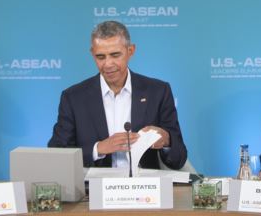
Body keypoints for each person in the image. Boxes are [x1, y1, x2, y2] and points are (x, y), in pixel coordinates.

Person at [48, 20, 187, 169]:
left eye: (115, 55)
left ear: (130, 51)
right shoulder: (73, 98)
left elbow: (179, 160)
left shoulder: (158, 92)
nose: (108, 64)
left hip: (145, 189)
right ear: (92, 54)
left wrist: (167, 140)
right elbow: (57, 154)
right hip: (94, 188)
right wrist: (98, 149)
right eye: (100, 57)